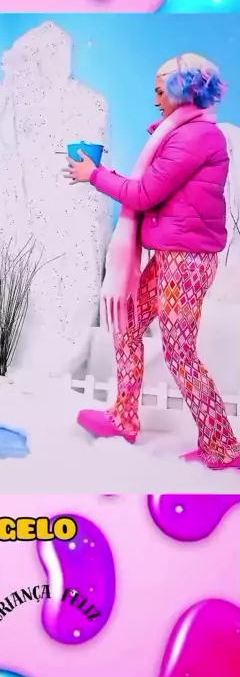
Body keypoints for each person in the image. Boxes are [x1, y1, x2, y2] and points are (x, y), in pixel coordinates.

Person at [64, 53, 240, 470]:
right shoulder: (177, 134)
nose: (156, 100)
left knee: (179, 353)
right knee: (127, 322)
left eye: (161, 91)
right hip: (170, 256)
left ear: (183, 91)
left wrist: (95, 175)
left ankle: (224, 446)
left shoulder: (196, 137)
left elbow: (144, 194)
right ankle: (123, 417)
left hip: (186, 261)